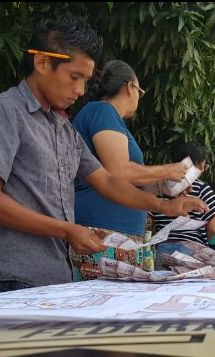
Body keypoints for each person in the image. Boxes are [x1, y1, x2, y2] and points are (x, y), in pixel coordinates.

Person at [0, 17, 206, 294]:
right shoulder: (3, 112)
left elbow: (106, 181)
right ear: (42, 62)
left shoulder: (64, 129)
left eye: (86, 80)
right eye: (74, 77)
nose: (80, 90)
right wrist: (66, 230)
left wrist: (163, 206)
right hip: (16, 279)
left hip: (59, 276)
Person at [71, 59, 191, 280]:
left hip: (120, 235)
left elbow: (125, 180)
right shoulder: (102, 111)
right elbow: (118, 171)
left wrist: (163, 189)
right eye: (140, 92)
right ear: (130, 87)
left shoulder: (109, 117)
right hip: (103, 232)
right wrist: (166, 171)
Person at [152, 142, 215, 267]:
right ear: (199, 165)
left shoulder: (158, 188)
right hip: (192, 248)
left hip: (162, 248)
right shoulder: (201, 188)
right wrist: (202, 241)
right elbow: (213, 228)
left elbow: (149, 221)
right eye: (204, 165)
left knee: (162, 283)